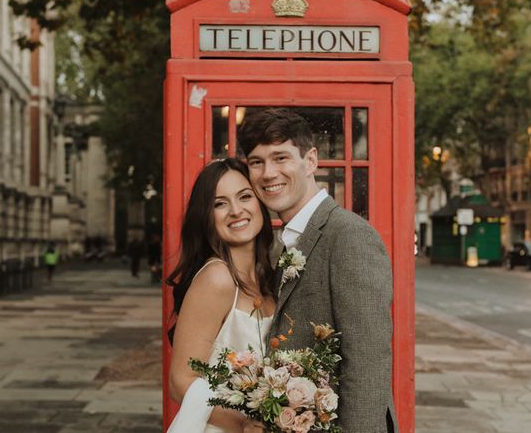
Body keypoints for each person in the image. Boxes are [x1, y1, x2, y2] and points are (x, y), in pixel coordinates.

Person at [237, 108, 398, 433]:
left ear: (310, 161)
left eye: (281, 158)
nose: (268, 173)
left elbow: (367, 360)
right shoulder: (276, 241)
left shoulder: (350, 235)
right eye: (257, 162)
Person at [166, 157, 275, 433]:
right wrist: (243, 424)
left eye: (245, 197)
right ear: (207, 217)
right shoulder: (218, 278)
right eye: (220, 203)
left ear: (260, 203)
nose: (236, 211)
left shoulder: (270, 277)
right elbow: (180, 380)